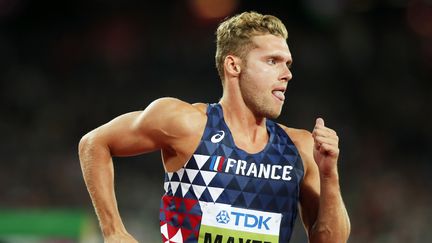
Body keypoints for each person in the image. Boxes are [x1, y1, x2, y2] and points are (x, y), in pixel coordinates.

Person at [78, 11, 350, 243]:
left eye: (287, 63)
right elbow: (94, 143)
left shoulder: (299, 148)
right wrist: (113, 231)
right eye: (272, 61)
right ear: (234, 66)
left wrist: (329, 175)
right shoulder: (186, 123)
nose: (287, 73)